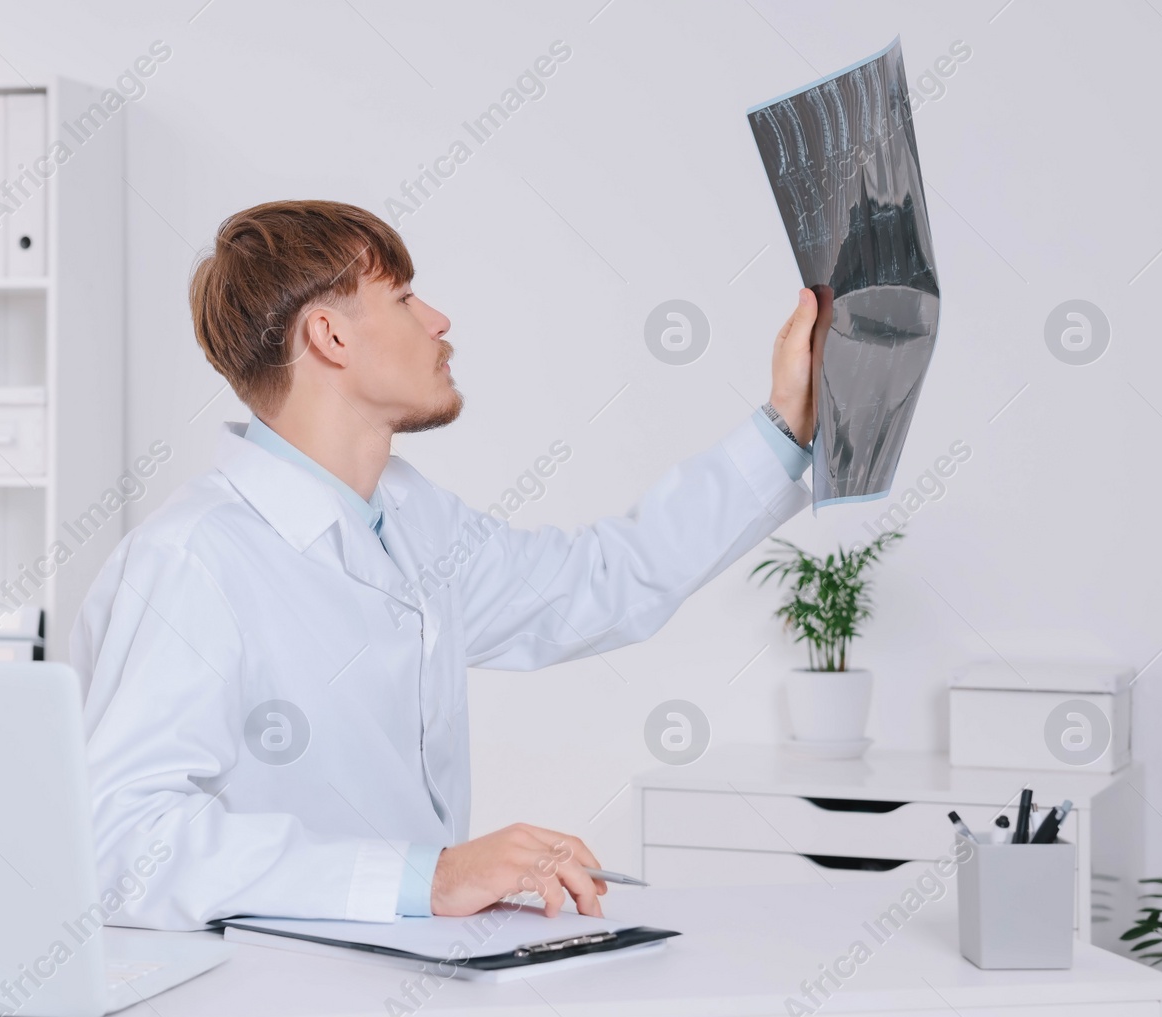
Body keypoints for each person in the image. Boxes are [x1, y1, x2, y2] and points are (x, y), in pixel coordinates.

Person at [72, 200, 817, 929]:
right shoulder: (190, 558)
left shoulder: (411, 515)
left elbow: (599, 580)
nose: (437, 320)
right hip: (265, 1003)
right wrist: (428, 876)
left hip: (414, 964)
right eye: (401, 297)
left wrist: (785, 426)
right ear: (328, 335)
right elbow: (122, 841)